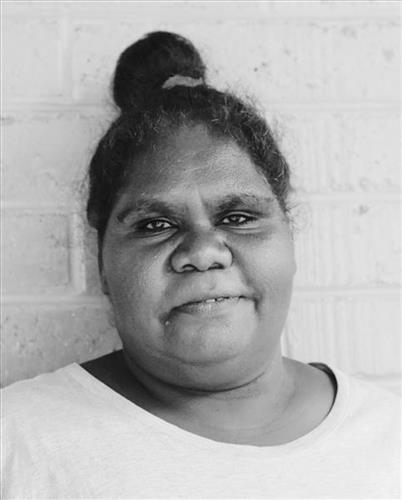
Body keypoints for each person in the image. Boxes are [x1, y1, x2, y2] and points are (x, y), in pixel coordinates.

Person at [2, 31, 400, 499]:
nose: (204, 251)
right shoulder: (18, 444)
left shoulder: (389, 439)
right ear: (102, 262)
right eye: (155, 225)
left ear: (290, 237)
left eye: (238, 217)